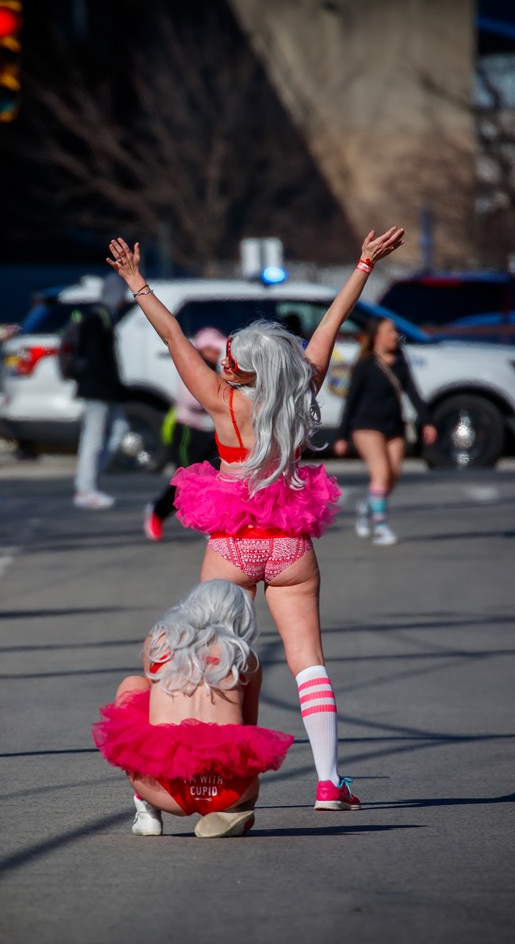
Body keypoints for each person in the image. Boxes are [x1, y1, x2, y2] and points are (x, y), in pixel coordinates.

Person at [106, 227, 405, 810]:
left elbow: (172, 339)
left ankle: (202, 771)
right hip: (291, 542)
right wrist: (363, 265)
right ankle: (328, 782)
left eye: (229, 358)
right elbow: (329, 328)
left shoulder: (222, 401)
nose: (222, 360)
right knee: (308, 663)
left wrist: (137, 283)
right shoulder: (299, 391)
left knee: (204, 655)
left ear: (240, 370)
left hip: (233, 543)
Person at [92, 579, 293, 838]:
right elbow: (248, 728)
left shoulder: (160, 641)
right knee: (243, 765)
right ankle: (233, 809)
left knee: (134, 685)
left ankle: (147, 807)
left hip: (165, 789)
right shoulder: (246, 658)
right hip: (227, 789)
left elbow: (152, 697)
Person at [333, 316, 437, 545]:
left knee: (392, 477)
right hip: (366, 427)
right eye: (389, 332)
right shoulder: (365, 365)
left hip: (394, 427)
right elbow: (350, 401)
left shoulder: (400, 362)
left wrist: (427, 421)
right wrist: (341, 436)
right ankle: (380, 528)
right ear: (376, 336)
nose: (394, 336)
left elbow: (414, 394)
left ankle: (367, 504)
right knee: (380, 474)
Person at [144, 326, 226, 541]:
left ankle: (211, 524)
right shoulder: (192, 368)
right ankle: (156, 511)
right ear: (202, 349)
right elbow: (192, 401)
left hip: (212, 434)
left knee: (215, 480)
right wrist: (219, 398)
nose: (216, 354)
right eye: (212, 349)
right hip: (188, 433)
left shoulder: (219, 370)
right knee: (186, 482)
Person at [73, 274, 130, 510]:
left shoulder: (103, 317)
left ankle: (91, 483)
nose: (123, 300)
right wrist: (113, 386)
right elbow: (98, 361)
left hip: (103, 389)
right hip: (98, 390)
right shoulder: (98, 319)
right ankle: (86, 489)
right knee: (93, 439)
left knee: (119, 431)